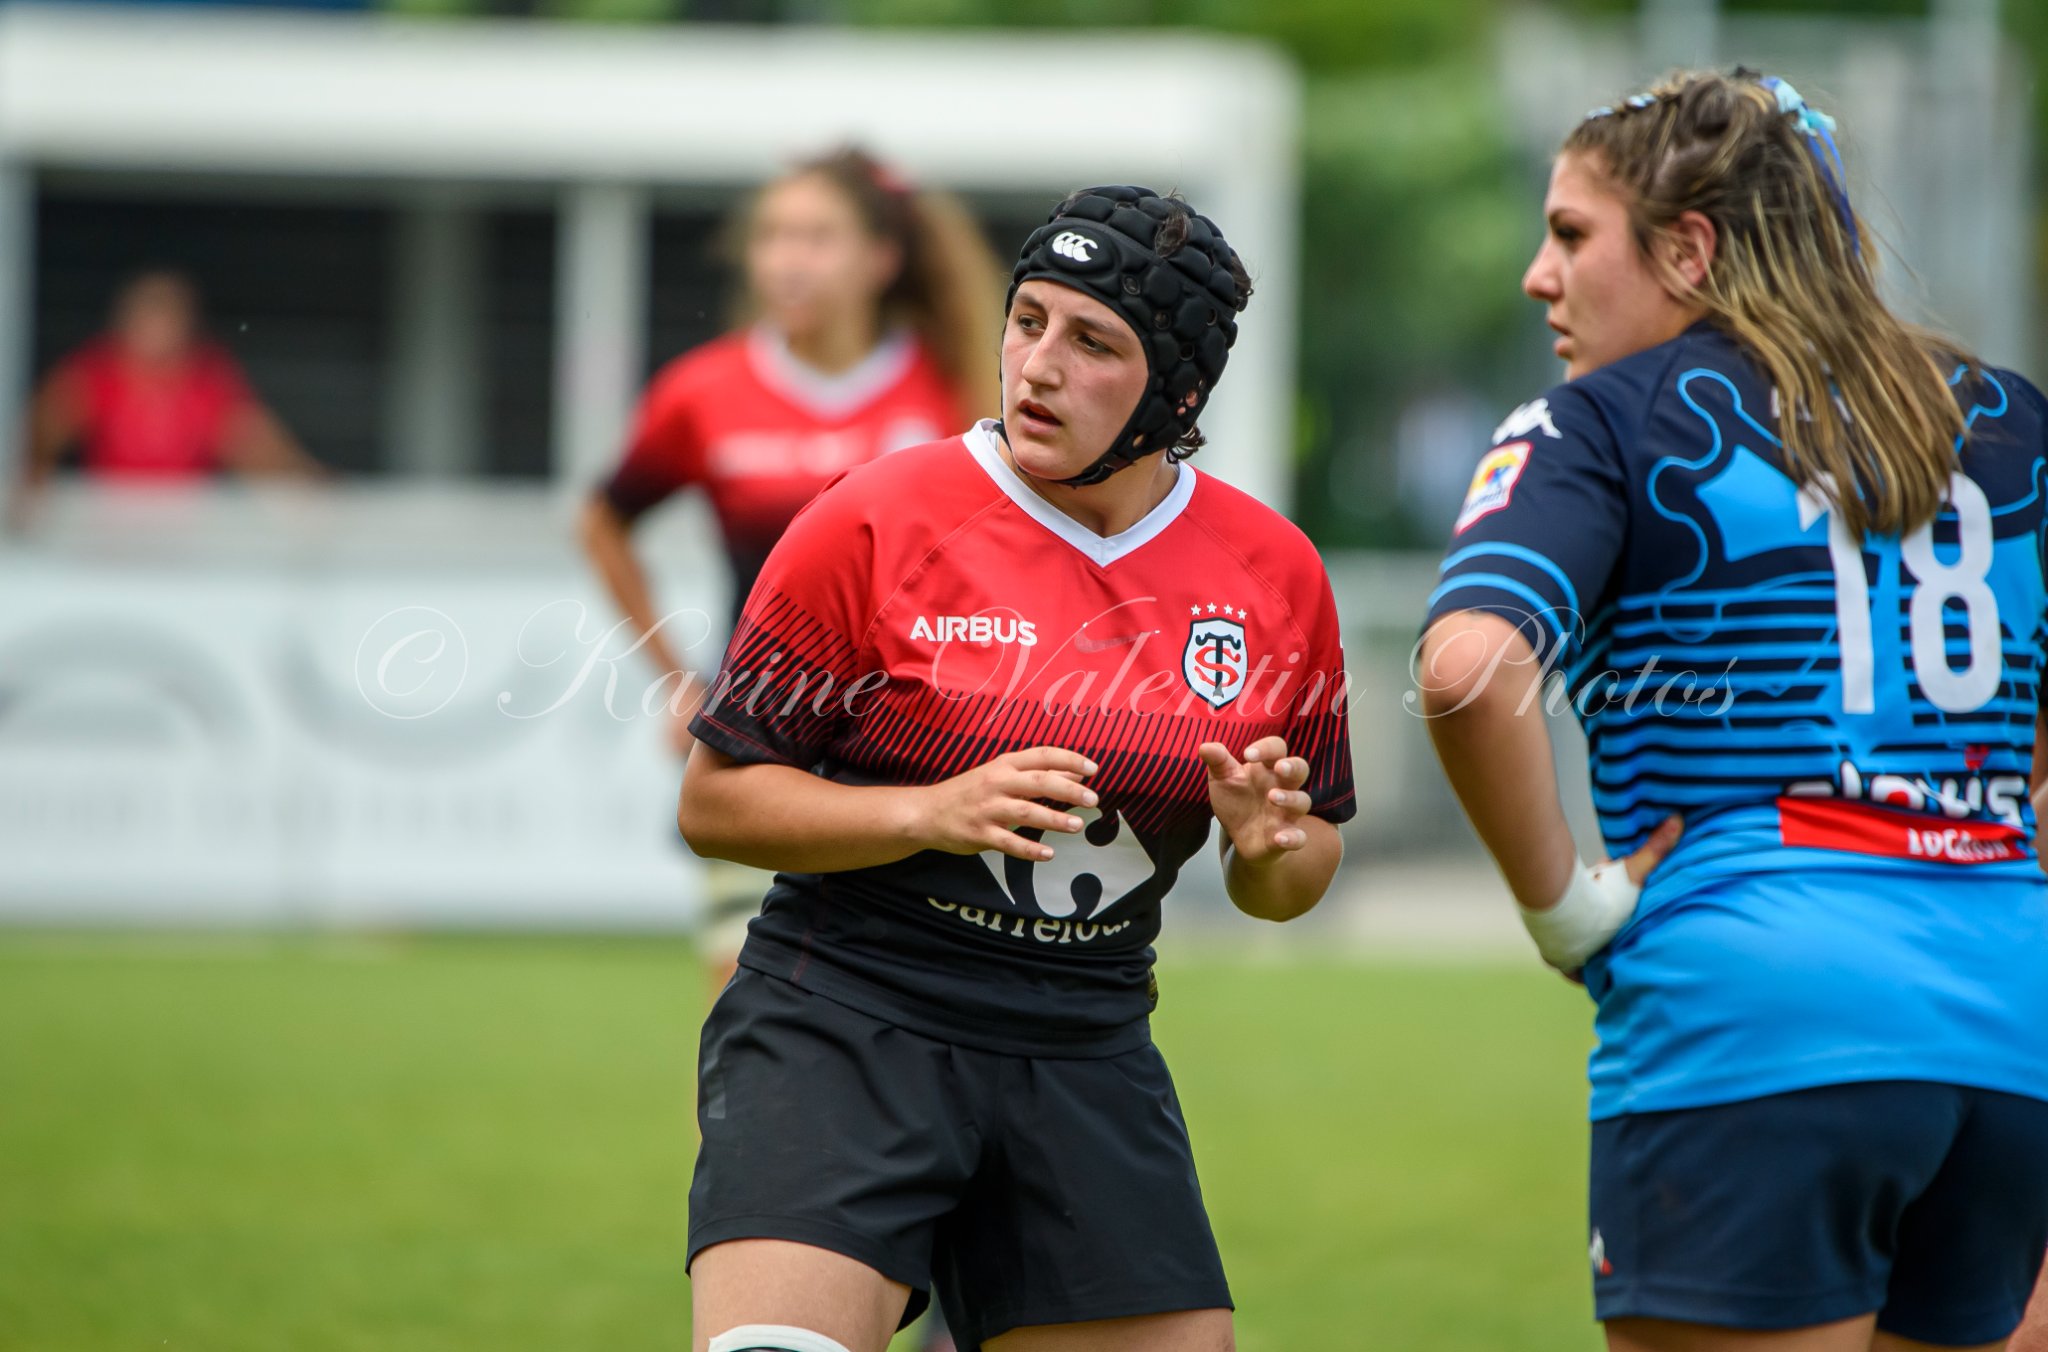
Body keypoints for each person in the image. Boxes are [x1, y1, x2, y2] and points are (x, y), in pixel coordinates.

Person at [1420, 69, 2048, 1352]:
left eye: (1571, 233)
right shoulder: (2008, 421)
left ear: (1690, 249)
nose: (1539, 276)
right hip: (2011, 1020)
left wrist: (1561, 906)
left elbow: (1467, 670)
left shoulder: (1600, 420)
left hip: (1758, 1002)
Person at [674, 185, 1354, 1352]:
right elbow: (715, 800)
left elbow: (1293, 878)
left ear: (1177, 391)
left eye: (1092, 341)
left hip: (1084, 1047)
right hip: (845, 1016)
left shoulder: (1270, 573)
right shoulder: (876, 516)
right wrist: (925, 809)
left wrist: (1272, 849)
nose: (1037, 364)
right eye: (1027, 318)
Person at [579, 148, 1000, 1006]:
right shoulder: (704, 393)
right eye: (771, 236)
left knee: (929, 1019)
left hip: (922, 753)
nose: (787, 259)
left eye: (817, 236)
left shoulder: (954, 389)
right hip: (764, 750)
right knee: (747, 1019)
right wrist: (678, 683)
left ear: (881, 260)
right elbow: (602, 522)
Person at [10, 270, 323, 527]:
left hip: (183, 531)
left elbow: (259, 449)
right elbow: (40, 434)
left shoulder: (207, 380)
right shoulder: (96, 373)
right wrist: (32, 482)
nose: (156, 331)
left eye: (166, 318)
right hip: (108, 527)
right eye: (147, 317)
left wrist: (312, 497)